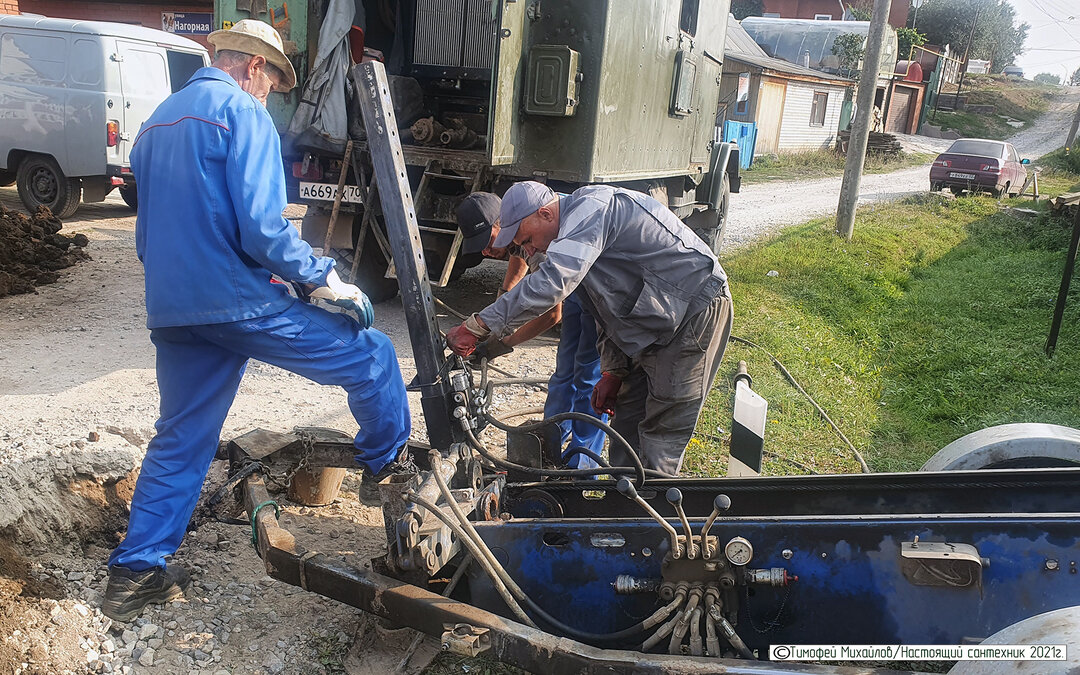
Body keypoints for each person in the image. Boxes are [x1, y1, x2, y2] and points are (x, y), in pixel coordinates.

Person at [102, 19, 414, 622]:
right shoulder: (242, 115)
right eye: (272, 79)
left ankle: (136, 571)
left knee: (182, 434)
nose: (269, 90)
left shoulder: (156, 123)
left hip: (173, 309)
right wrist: (324, 276)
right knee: (372, 355)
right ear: (252, 68)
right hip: (236, 302)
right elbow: (263, 229)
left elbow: (148, 234)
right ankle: (388, 465)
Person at [445, 182, 732, 475]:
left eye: (528, 240)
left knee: (660, 437)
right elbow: (607, 309)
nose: (528, 251)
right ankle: (621, 509)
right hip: (653, 321)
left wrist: (478, 326)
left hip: (693, 313)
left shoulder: (592, 209)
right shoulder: (566, 237)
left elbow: (552, 284)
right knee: (626, 428)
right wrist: (614, 370)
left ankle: (651, 514)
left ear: (545, 214)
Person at [456, 193, 607, 469]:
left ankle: (582, 468)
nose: (486, 252)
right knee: (564, 373)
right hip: (575, 289)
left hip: (596, 289)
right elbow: (518, 258)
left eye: (488, 242)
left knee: (587, 376)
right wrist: (504, 297)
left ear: (505, 225)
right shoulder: (520, 236)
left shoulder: (539, 237)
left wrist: (500, 345)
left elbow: (551, 313)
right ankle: (548, 448)